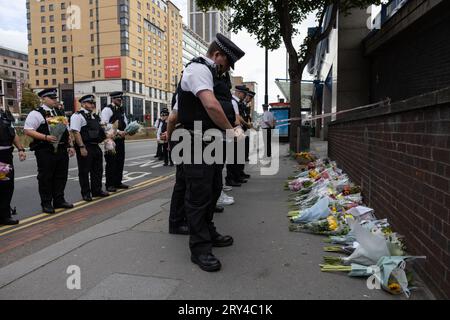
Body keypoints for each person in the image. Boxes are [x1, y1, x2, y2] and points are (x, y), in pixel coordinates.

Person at [175, 33, 245, 272]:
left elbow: (185, 108)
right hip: (195, 141)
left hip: (209, 141)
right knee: (198, 194)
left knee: (214, 187)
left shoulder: (210, 75)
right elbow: (211, 105)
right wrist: (231, 130)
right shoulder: (198, 70)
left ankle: (208, 230)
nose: (226, 69)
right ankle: (200, 248)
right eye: (227, 63)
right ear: (218, 55)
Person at [24, 88, 75, 214]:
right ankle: (46, 203)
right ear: (43, 99)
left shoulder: (59, 111)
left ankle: (59, 200)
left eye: (55, 98)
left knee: (61, 176)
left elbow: (66, 130)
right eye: (51, 98)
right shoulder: (36, 113)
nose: (54, 100)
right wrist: (46, 137)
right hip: (45, 150)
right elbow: (28, 130)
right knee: (46, 177)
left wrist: (70, 145)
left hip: (62, 149)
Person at [70, 94, 109, 202]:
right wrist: (81, 147)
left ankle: (97, 190)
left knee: (97, 170)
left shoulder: (95, 116)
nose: (92, 105)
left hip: (95, 146)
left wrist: (107, 138)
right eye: (90, 103)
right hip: (85, 146)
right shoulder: (77, 116)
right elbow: (76, 132)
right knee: (84, 171)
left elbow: (100, 131)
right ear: (83, 104)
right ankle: (86, 193)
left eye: (93, 103)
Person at [0, 98, 26, 225]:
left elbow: (13, 134)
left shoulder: (5, 115)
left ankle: (4, 216)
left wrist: (20, 149)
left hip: (5, 156)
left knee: (6, 186)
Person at [101, 91, 129, 192]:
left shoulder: (121, 110)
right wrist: (117, 131)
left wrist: (128, 130)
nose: (120, 101)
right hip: (110, 140)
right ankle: (110, 184)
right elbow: (104, 124)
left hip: (120, 140)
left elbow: (125, 122)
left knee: (120, 161)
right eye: (118, 99)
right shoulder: (107, 109)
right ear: (113, 99)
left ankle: (118, 182)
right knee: (111, 162)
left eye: (121, 99)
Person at [225, 85, 248, 187]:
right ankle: (231, 178)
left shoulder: (236, 102)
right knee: (233, 155)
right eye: (244, 94)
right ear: (238, 92)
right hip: (234, 129)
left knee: (237, 154)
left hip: (234, 129)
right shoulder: (234, 102)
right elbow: (237, 118)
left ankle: (236, 176)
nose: (245, 96)